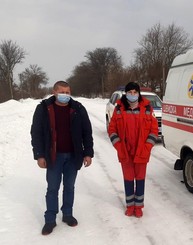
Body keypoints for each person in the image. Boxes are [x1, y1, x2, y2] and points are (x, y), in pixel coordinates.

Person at [30, 81, 94, 235]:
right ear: (54, 92)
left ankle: (67, 214)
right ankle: (50, 219)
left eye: (67, 92)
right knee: (52, 188)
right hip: (53, 156)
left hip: (73, 156)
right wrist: (39, 155)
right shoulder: (44, 108)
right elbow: (36, 132)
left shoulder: (78, 108)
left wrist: (88, 152)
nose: (65, 95)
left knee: (69, 187)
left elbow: (87, 132)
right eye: (62, 92)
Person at [108, 82, 158, 218]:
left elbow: (154, 131)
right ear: (126, 93)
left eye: (135, 92)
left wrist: (147, 147)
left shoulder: (148, 108)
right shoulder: (119, 109)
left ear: (138, 93)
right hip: (125, 152)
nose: (132, 94)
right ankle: (130, 206)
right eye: (129, 92)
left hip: (142, 151)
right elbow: (112, 130)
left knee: (140, 179)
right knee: (128, 179)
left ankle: (139, 206)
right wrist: (118, 146)